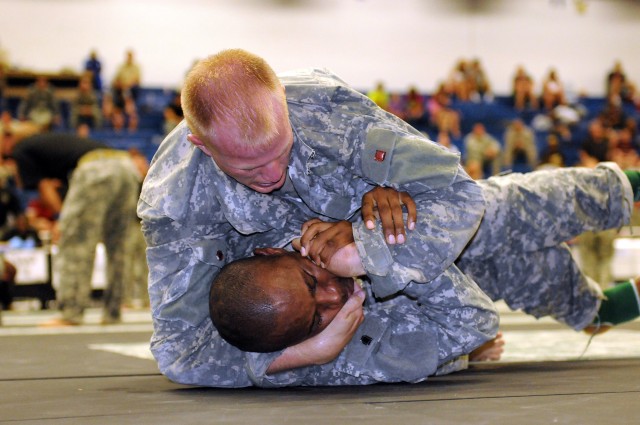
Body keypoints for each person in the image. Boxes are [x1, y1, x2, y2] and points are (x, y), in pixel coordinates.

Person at [138, 49, 490, 388]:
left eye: (280, 150)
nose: (273, 174)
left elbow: (460, 193)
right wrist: (304, 356)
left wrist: (365, 252)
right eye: (250, 168)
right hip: (379, 297)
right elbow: (181, 353)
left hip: (435, 246)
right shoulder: (174, 200)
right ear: (202, 145)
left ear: (285, 107)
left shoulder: (325, 108)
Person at [210, 164, 640, 372]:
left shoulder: (292, 214)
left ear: (273, 252)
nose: (332, 296)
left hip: (478, 219)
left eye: (311, 280)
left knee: (579, 194)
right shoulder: (330, 345)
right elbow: (422, 350)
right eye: (315, 317)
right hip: (486, 281)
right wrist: (461, 354)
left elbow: (373, 155)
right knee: (592, 310)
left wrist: (381, 188)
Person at [9, 132, 149, 326]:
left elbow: (45, 188)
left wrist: (61, 219)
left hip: (95, 168)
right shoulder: (51, 145)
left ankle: (71, 312)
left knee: (76, 242)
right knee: (118, 245)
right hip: (125, 165)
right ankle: (113, 312)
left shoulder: (20, 150)